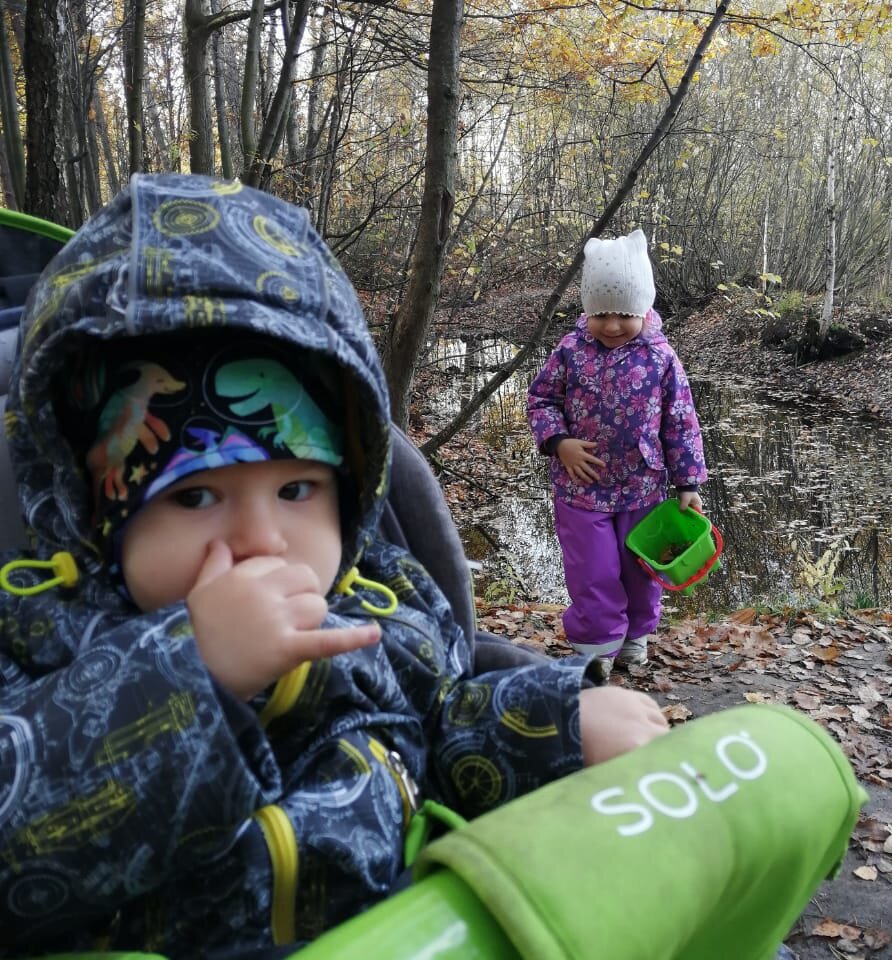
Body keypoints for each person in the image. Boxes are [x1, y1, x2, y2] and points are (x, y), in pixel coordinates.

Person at [0, 175, 668, 959]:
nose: (262, 540)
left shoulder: (383, 607)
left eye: (294, 490)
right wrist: (190, 675)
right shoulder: (46, 638)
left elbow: (437, 732)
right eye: (195, 498)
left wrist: (550, 730)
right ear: (100, 519)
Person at [528, 229, 708, 678]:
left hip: (642, 486)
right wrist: (558, 442)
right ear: (587, 308)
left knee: (638, 571)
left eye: (624, 314)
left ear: (644, 309)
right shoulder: (570, 351)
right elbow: (541, 400)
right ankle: (596, 646)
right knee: (594, 570)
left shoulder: (662, 358)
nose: (611, 325)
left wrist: (687, 483)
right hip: (580, 487)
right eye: (601, 313)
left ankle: (635, 636)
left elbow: (680, 421)